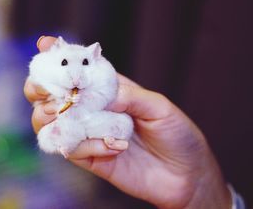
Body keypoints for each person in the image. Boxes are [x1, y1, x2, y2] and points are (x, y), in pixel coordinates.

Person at [23, 36, 245, 209]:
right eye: (64, 63)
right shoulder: (46, 64)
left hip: (99, 121)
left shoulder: (104, 75)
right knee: (53, 132)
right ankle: (64, 137)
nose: (75, 77)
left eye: (84, 63)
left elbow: (108, 94)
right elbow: (38, 77)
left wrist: (201, 192)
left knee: (120, 125)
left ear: (95, 56)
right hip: (69, 119)